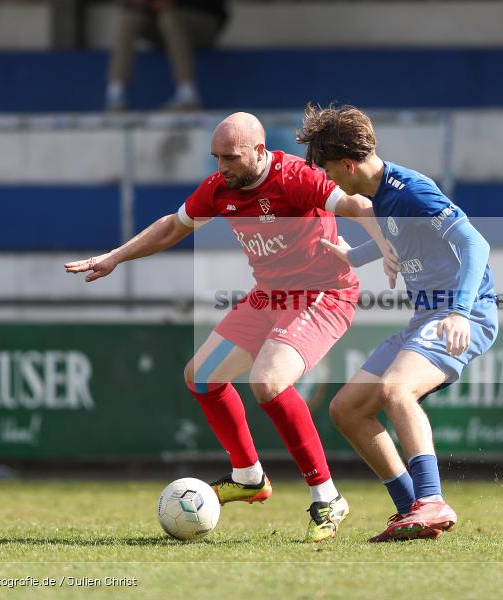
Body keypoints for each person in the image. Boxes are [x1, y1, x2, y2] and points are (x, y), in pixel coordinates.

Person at [65, 112, 394, 542]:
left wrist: (385, 246)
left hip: (322, 294)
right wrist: (115, 257)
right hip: (268, 297)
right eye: (216, 157)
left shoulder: (294, 177)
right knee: (201, 375)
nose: (222, 167)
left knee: (268, 382)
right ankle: (249, 475)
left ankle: (327, 496)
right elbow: (173, 226)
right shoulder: (220, 188)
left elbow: (357, 204)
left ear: (260, 151)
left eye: (231, 157)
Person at [297, 104, 498, 542]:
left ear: (349, 164)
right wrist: (354, 256)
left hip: (462, 312)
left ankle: (431, 501)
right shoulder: (382, 197)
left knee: (395, 390)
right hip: (426, 316)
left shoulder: (410, 191)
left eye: (329, 170)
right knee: (346, 410)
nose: (329, 180)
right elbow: (395, 234)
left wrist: (461, 311)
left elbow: (475, 242)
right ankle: (411, 509)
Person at [105, 0, 229, 111]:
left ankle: (187, 94)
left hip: (202, 19)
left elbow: (213, 5)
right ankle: (115, 93)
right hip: (159, 22)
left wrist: (176, 3)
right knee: (130, 18)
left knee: (170, 18)